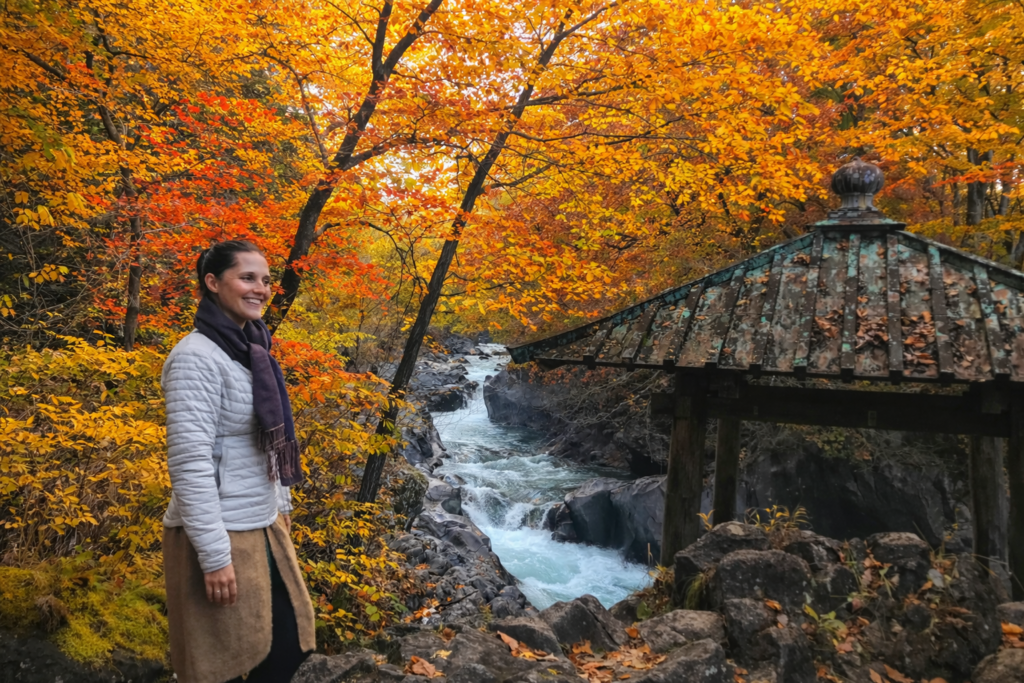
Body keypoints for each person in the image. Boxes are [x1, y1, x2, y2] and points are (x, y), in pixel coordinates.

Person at [161, 240, 316, 683]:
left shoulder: (251, 350)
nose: (261, 289)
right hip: (220, 531)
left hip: (261, 523)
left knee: (287, 647)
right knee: (225, 665)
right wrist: (213, 557)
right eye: (247, 278)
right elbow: (190, 464)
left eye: (265, 280)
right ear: (213, 283)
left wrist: (281, 508)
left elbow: (269, 440)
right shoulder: (196, 358)